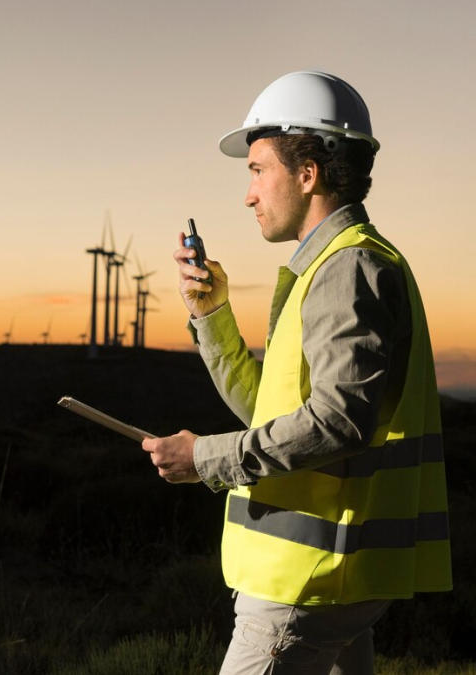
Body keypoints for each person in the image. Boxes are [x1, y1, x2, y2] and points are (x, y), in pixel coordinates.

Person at [141, 70, 451, 675]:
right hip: (333, 577)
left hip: (303, 585)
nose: (249, 194)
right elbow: (274, 412)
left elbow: (338, 421)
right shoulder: (338, 265)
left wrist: (206, 458)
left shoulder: (347, 267)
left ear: (308, 173)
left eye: (258, 170)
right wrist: (212, 315)